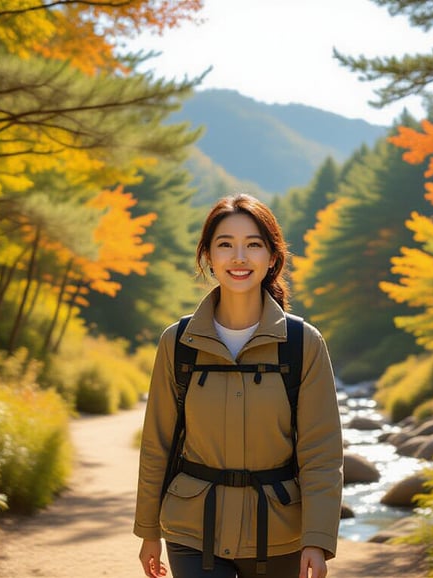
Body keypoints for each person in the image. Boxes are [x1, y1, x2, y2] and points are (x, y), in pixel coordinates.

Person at [134, 194, 344, 578]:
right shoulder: (177, 342)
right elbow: (157, 444)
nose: (239, 258)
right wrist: (149, 530)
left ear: (273, 257)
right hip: (191, 530)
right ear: (208, 256)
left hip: (278, 534)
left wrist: (317, 539)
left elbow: (321, 453)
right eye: (225, 244)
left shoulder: (303, 344)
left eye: (254, 245)